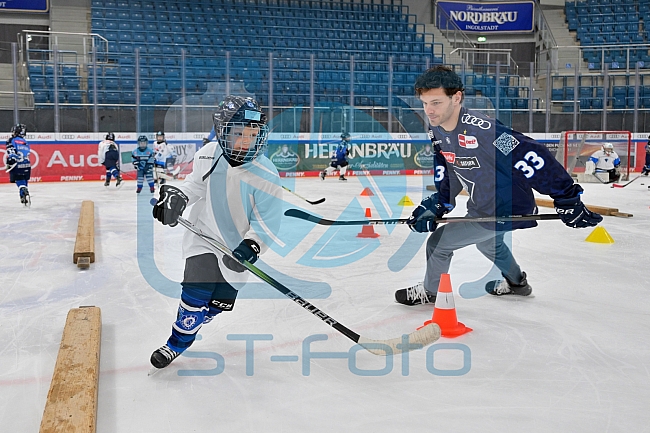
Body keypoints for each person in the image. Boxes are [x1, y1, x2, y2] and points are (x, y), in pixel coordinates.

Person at [395, 65, 603, 306]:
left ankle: (431, 292)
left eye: (436, 102)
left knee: (438, 244)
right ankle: (518, 284)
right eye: (424, 103)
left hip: (503, 207)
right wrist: (439, 203)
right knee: (488, 243)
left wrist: (567, 198)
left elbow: (530, 155)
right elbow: (448, 164)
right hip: (485, 205)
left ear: (457, 98)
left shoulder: (485, 131)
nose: (429, 111)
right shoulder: (437, 129)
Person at [150, 95, 282, 369]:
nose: (247, 140)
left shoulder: (266, 173)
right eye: (239, 133)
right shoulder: (208, 154)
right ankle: (176, 343)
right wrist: (177, 198)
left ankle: (199, 317)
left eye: (253, 133)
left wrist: (252, 246)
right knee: (195, 290)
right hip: (204, 237)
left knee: (215, 304)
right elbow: (194, 186)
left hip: (236, 249)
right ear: (223, 132)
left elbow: (267, 221)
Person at [5, 124, 31, 207]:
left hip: (17, 163)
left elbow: (11, 151)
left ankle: (23, 191)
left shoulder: (11, 140)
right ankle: (24, 196)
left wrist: (10, 162)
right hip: (27, 164)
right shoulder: (25, 141)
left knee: (19, 180)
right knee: (24, 179)